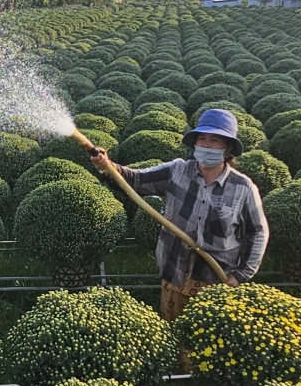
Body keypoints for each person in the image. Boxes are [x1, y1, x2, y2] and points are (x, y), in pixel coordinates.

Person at [89, 108, 268, 321]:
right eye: (202, 139)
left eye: (215, 140)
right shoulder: (178, 171)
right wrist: (106, 166)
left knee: (206, 340)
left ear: (227, 148)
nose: (206, 145)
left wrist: (240, 275)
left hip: (215, 281)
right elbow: (135, 180)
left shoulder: (243, 187)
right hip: (175, 273)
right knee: (173, 332)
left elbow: (258, 233)